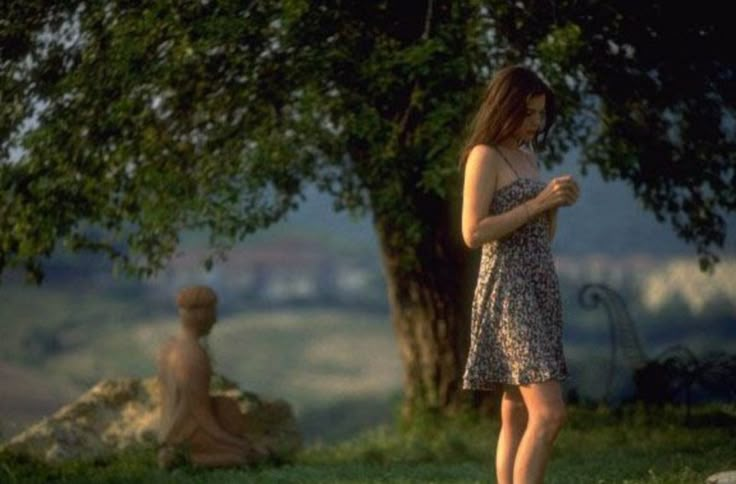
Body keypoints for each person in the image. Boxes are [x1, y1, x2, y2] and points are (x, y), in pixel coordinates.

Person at [459, 65, 581, 484]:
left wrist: (554, 204)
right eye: (528, 113)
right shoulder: (484, 155)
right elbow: (473, 232)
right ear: (505, 108)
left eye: (540, 115)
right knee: (549, 413)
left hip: (539, 280)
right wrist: (536, 203)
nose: (535, 123)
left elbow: (539, 233)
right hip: (508, 288)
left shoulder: (528, 155)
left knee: (515, 410)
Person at [156, 285, 267, 468]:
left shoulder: (169, 348)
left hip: (167, 436)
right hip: (186, 436)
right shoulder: (193, 355)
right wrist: (236, 444)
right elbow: (200, 416)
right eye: (212, 312)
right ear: (200, 314)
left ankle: (177, 455)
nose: (215, 320)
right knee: (246, 456)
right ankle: (185, 459)